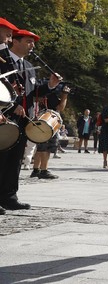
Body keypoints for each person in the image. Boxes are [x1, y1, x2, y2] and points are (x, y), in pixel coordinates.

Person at [6, 29, 63, 187]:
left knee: (17, 159)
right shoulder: (2, 61)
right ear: (15, 41)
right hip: (7, 116)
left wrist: (51, 84)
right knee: (3, 158)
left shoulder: (29, 66)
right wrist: (13, 106)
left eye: (33, 43)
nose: (32, 45)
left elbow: (33, 91)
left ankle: (10, 196)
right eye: (28, 41)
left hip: (25, 118)